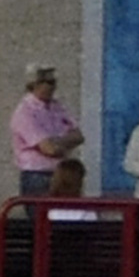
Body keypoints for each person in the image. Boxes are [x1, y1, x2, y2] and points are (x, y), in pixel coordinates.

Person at [9, 62, 84, 196]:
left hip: (61, 173)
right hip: (37, 175)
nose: (51, 87)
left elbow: (78, 136)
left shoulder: (57, 107)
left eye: (53, 82)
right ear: (34, 84)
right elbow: (49, 149)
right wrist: (65, 142)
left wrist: (57, 142)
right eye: (47, 82)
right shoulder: (25, 112)